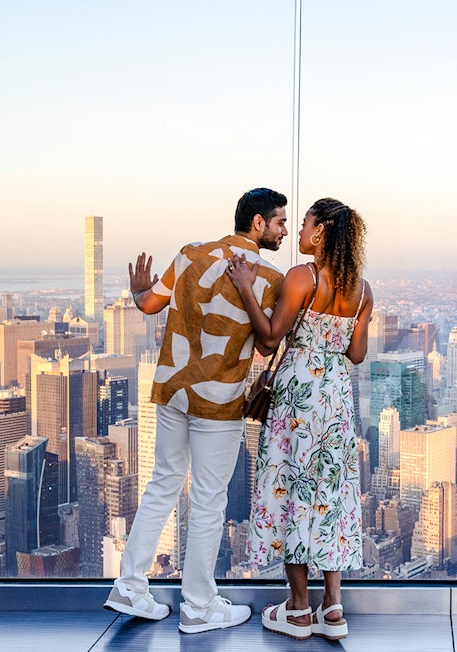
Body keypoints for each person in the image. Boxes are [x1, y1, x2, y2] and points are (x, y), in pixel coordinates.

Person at [103, 188, 288, 635]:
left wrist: (136, 289)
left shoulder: (190, 253)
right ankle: (199, 607)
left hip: (172, 389)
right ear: (258, 224)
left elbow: (149, 304)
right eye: (280, 221)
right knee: (208, 500)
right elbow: (266, 345)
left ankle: (129, 585)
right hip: (218, 401)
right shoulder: (269, 275)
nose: (284, 230)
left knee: (162, 485)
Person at [227, 197, 373, 640]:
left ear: (322, 231)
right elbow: (357, 353)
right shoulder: (363, 290)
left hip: (297, 400)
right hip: (336, 399)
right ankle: (333, 608)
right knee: (331, 490)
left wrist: (246, 288)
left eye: (306, 223)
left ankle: (297, 608)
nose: (300, 231)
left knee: (292, 486)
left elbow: (269, 340)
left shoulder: (301, 278)